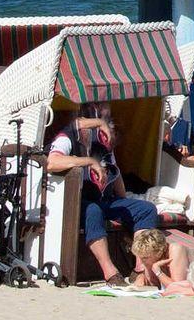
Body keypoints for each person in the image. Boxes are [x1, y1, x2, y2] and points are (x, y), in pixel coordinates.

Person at [46, 110, 161, 283]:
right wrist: (89, 161)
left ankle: (140, 268)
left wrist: (125, 201)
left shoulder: (104, 144)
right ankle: (110, 272)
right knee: (94, 211)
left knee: (146, 209)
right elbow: (52, 163)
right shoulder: (67, 137)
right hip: (77, 201)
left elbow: (115, 173)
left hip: (104, 199)